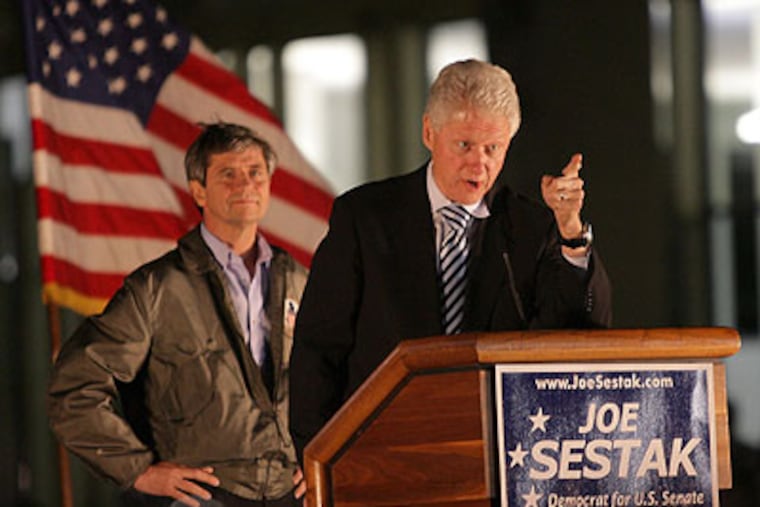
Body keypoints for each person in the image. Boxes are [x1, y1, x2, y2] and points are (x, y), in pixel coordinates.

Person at [288, 59, 613, 467]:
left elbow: (582, 329)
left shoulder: (532, 226)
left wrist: (570, 229)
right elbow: (319, 348)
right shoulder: (365, 216)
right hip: (382, 453)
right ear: (429, 132)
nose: (479, 164)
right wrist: (317, 456)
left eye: (492, 149)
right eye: (464, 146)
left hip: (497, 456)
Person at [48, 122, 307, 507]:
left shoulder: (302, 282)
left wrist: (325, 455)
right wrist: (138, 470)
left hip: (294, 494)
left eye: (255, 172)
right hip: (202, 496)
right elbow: (75, 388)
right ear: (198, 189)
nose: (246, 185)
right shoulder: (156, 288)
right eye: (228, 174)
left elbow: (340, 382)